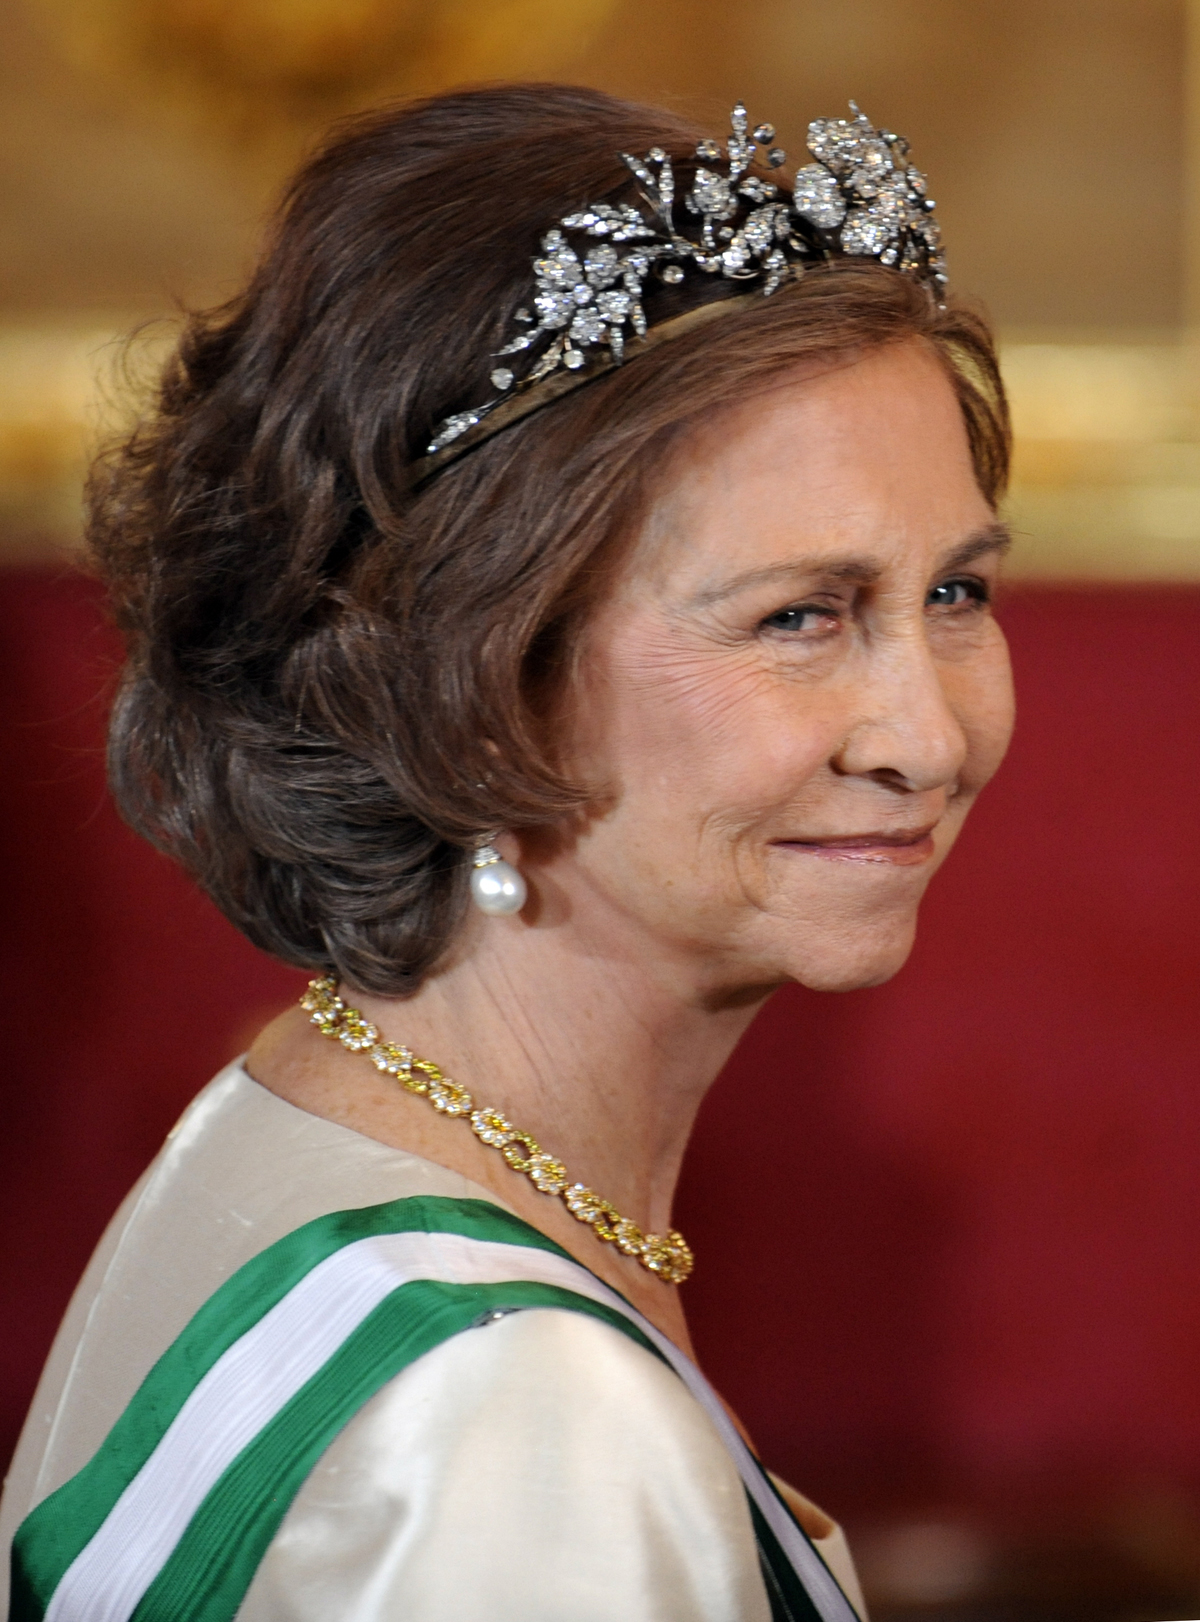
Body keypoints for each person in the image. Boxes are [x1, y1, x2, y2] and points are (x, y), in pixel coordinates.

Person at [1, 83, 1013, 1621]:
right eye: (799, 615)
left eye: (954, 594)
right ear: (464, 670)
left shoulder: (288, 1120)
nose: (925, 736)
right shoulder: (523, 1426)